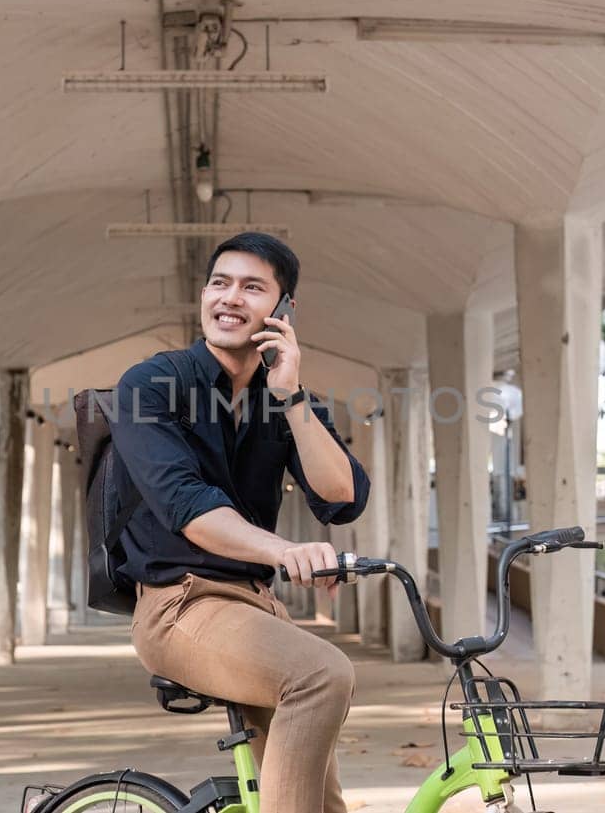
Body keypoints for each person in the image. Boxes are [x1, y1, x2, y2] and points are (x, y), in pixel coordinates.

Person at [108, 232, 371, 813]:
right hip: (182, 606)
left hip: (257, 609)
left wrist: (293, 395)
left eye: (253, 288)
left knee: (321, 804)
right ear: (203, 294)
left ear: (283, 310)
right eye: (221, 283)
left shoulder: (284, 397)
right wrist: (284, 550)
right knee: (322, 675)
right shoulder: (149, 385)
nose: (231, 298)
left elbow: (342, 497)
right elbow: (187, 506)